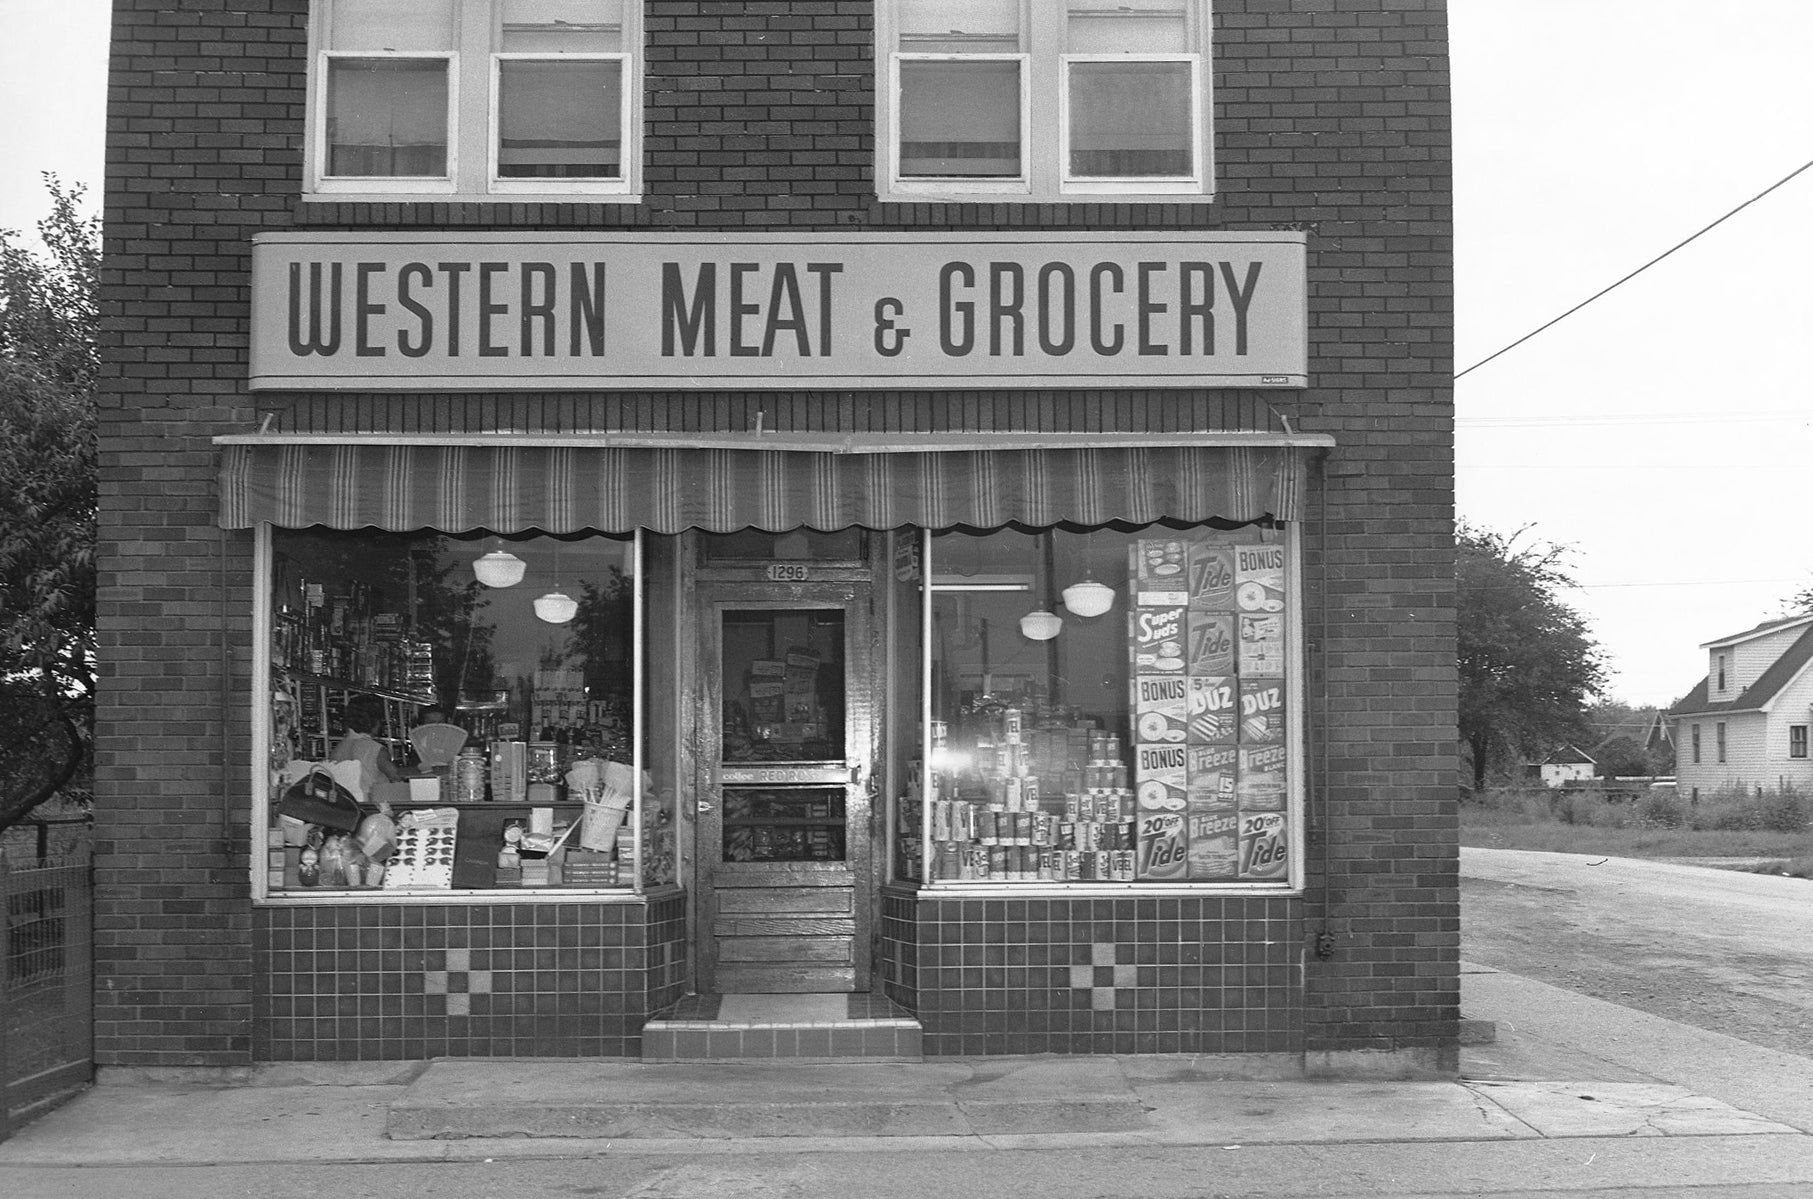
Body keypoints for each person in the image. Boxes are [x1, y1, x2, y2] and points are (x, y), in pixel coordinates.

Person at [331, 695, 406, 800]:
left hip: (345, 805)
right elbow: (395, 778)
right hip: (370, 805)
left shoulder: (338, 749)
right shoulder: (377, 750)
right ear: (376, 722)